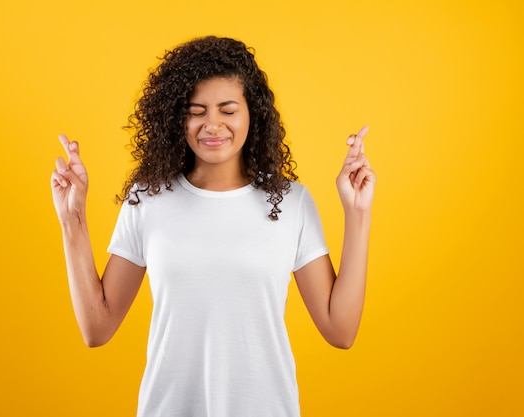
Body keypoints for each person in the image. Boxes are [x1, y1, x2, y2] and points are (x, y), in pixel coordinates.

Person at [51, 36, 375, 417]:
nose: (212, 125)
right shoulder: (148, 198)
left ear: (252, 114)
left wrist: (358, 214)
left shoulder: (291, 202)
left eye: (227, 110)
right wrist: (72, 220)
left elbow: (341, 331)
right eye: (196, 111)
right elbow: (97, 328)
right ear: (177, 117)